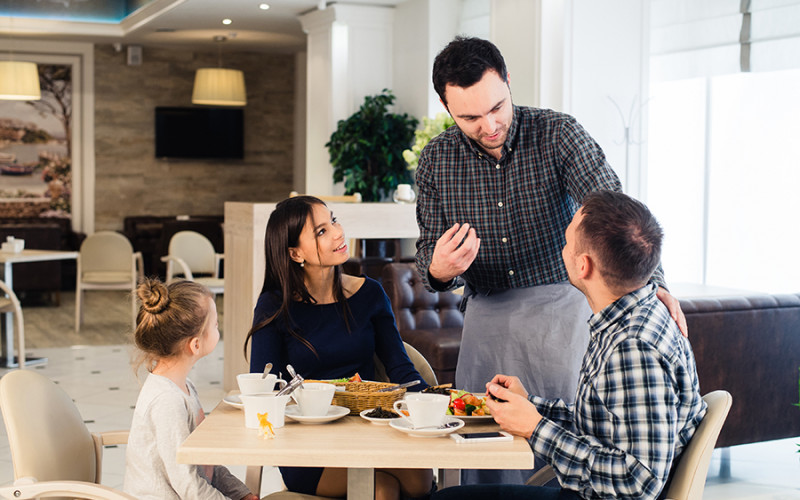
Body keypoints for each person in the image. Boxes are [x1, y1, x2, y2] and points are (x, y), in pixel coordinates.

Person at [414, 36, 687, 484]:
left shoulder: (558, 135)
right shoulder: (435, 162)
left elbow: (612, 211)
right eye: (470, 117)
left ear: (506, 80)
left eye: (497, 107)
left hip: (565, 312)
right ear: (447, 107)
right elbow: (428, 253)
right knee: (483, 443)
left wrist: (652, 282)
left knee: (565, 441)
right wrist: (438, 268)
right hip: (488, 316)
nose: (490, 125)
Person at [433, 190, 707, 500]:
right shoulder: (634, 313)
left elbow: (639, 482)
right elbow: (607, 421)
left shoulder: (633, 347)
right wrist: (531, 406)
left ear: (583, 266)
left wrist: (536, 429)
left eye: (566, 242)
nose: (561, 249)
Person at [245, 195, 434, 500]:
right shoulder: (274, 306)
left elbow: (400, 368)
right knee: (384, 489)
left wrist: (436, 405)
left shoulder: (370, 293)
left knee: (420, 477)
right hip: (308, 445)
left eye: (333, 220)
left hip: (368, 429)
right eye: (321, 231)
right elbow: (263, 390)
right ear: (295, 253)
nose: (337, 232)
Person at [124, 278, 257, 500]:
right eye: (215, 325)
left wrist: (242, 494)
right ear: (195, 344)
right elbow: (189, 485)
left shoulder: (184, 387)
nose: (219, 329)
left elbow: (205, 467)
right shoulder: (167, 401)